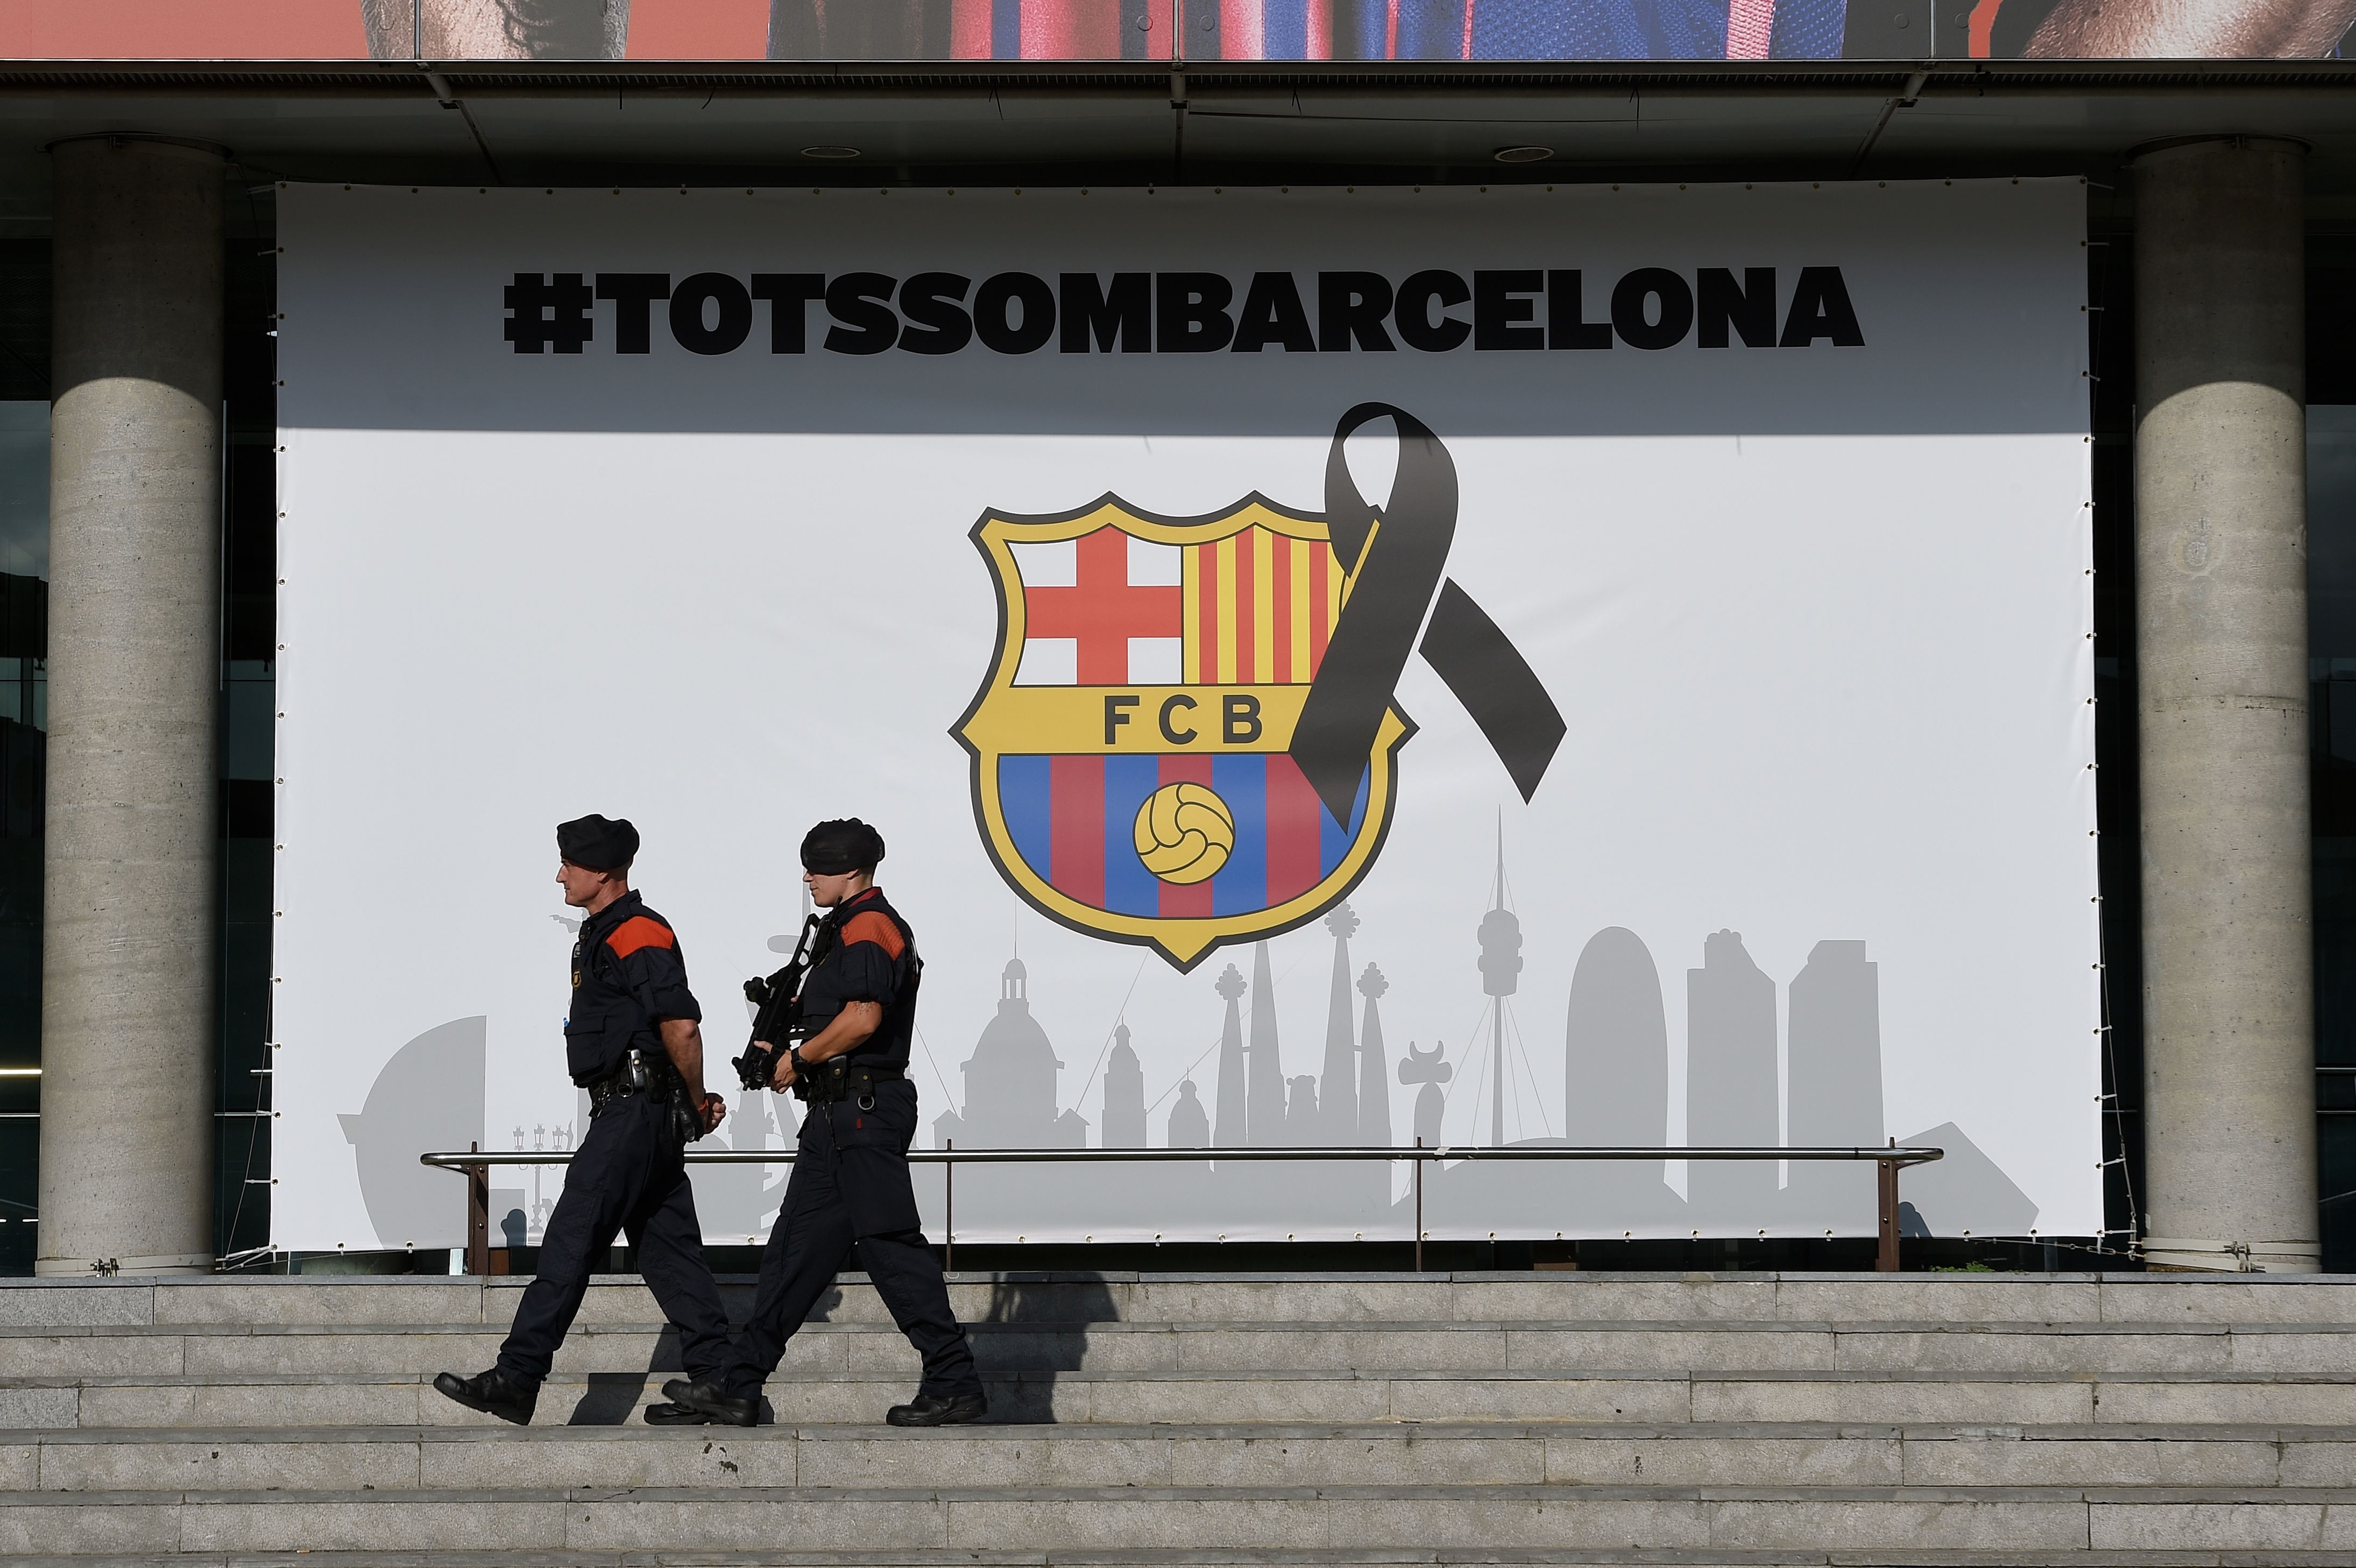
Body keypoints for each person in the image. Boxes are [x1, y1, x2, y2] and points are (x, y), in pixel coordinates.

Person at [662, 819, 986, 1428]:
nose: (808, 876)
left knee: (889, 1245)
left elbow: (864, 1018)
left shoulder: (868, 924)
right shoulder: (843, 929)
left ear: (852, 871)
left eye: (819, 866)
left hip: (863, 1109)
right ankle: (738, 1384)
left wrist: (798, 1058)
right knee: (795, 1253)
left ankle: (954, 1380)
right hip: (837, 1117)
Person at [434, 814, 733, 1427]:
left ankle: (517, 1376)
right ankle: (720, 1381)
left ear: (600, 871)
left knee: (571, 1236)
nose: (559, 875)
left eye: (568, 864)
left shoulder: (637, 931)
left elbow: (680, 1026)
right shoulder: (606, 932)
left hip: (634, 1113)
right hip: (638, 1112)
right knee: (670, 1254)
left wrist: (697, 1100)